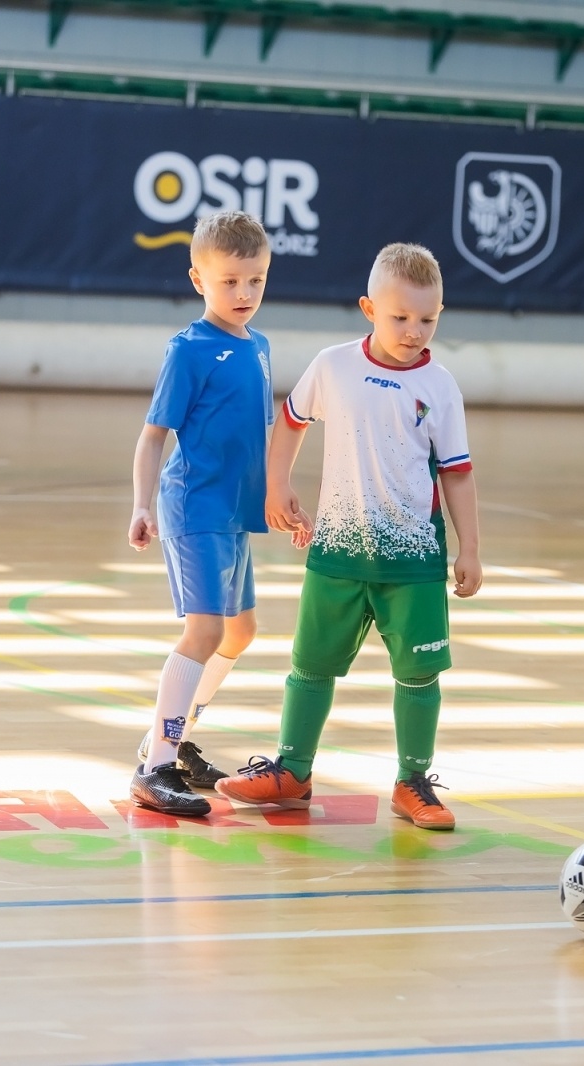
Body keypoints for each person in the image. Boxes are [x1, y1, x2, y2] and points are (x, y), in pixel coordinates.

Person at [216, 243, 481, 831]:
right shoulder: (334, 365)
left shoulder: (440, 388)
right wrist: (275, 486)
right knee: (310, 664)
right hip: (336, 552)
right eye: (400, 317)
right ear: (368, 308)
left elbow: (457, 473)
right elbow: (290, 420)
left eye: (428, 319)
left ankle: (413, 781)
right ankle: (292, 770)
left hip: (413, 561)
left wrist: (471, 548)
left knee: (418, 674)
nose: (415, 331)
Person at [126, 211, 275, 816]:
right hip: (194, 506)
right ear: (199, 280)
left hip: (236, 509)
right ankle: (154, 765)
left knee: (241, 631)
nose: (244, 294)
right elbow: (152, 436)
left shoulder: (259, 346)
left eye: (256, 281)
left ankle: (177, 736)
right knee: (206, 630)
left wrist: (278, 498)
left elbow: (259, 436)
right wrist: (141, 503)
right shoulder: (188, 350)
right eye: (230, 281)